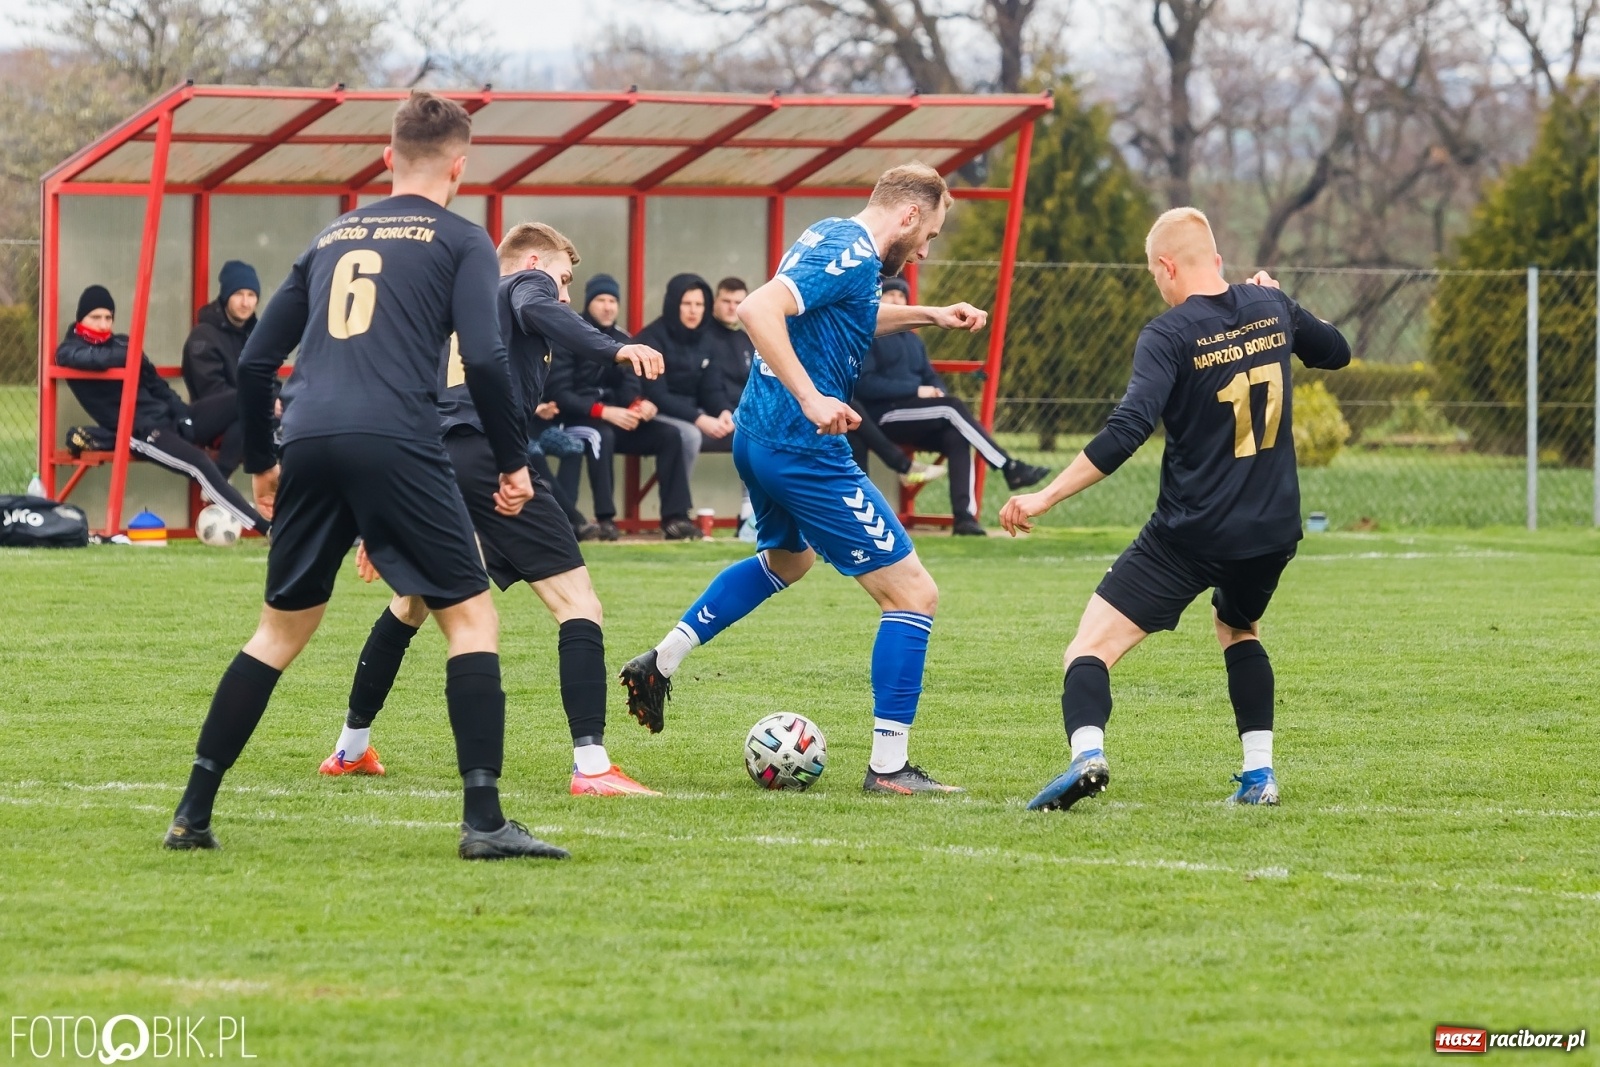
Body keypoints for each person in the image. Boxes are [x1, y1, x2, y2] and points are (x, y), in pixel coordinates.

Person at [161, 91, 563, 861]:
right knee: (470, 619)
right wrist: (513, 461)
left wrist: (265, 461)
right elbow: (482, 358)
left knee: (279, 631)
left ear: (387, 159)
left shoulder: (331, 235)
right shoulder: (462, 239)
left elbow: (254, 363)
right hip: (398, 437)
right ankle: (483, 820)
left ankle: (193, 809)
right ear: (461, 166)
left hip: (308, 433)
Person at [619, 162, 988, 795]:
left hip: (760, 440)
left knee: (788, 563)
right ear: (907, 214)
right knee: (913, 595)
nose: (926, 247)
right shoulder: (850, 252)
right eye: (928, 233)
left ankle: (662, 660)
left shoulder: (832, 238)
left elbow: (845, 317)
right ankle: (889, 768)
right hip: (801, 447)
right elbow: (758, 310)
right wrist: (815, 398)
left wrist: (930, 315)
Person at [999, 207, 1351, 812]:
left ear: (1167, 267)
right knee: (1238, 628)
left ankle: (1087, 755)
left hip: (1191, 531)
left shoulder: (1168, 334)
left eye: (1154, 275)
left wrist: (1045, 494)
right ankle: (1259, 774)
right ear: (1215, 257)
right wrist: (1285, 302)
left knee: (1088, 649)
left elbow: (1127, 429)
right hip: (1272, 529)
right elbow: (1337, 351)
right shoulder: (1271, 305)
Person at [323, 222, 666, 797]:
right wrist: (616, 347)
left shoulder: (454, 305)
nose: (563, 294)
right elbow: (546, 310)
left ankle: (350, 750)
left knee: (411, 604)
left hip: (432, 461)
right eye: (562, 278)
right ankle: (592, 766)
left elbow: (402, 398)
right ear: (532, 261)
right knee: (578, 603)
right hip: (487, 456)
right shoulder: (523, 284)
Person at [56, 284, 264, 532]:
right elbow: (94, 360)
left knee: (246, 399)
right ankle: (265, 527)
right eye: (95, 318)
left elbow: (158, 386)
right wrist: (127, 354)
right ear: (81, 319)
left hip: (170, 417)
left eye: (108, 318)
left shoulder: (122, 344)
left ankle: (223, 472)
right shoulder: (70, 350)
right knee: (199, 463)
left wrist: (182, 414)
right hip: (143, 431)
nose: (103, 325)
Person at [857, 276, 1048, 536]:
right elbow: (865, 386)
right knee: (951, 407)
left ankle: (964, 518)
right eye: (890, 296)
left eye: (901, 297)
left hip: (917, 414)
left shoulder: (914, 341)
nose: (896, 300)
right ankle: (1008, 466)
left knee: (956, 435)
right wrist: (917, 391)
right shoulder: (870, 337)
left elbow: (930, 376)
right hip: (885, 416)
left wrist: (936, 391)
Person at [550, 274, 695, 540]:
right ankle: (606, 519)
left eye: (613, 300)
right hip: (576, 420)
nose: (608, 306)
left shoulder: (624, 340)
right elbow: (560, 394)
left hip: (619, 420)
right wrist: (602, 411)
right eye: (601, 300)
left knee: (669, 435)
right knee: (600, 435)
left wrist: (639, 405)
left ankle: (676, 518)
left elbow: (631, 386)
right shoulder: (569, 335)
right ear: (589, 303)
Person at [633, 273, 736, 538]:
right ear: (673, 304)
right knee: (687, 435)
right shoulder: (651, 338)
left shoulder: (706, 340)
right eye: (687, 304)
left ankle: (753, 516)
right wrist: (699, 419)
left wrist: (725, 412)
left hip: (694, 414)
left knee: (748, 433)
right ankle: (676, 515)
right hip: (657, 414)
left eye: (699, 305)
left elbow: (712, 388)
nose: (693, 311)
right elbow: (655, 394)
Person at [179, 259, 261, 475]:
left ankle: (219, 482)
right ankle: (218, 481)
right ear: (225, 297)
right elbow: (213, 392)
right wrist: (267, 401)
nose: (246, 303)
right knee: (252, 415)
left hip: (248, 415)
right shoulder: (203, 336)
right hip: (208, 420)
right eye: (239, 294)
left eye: (251, 295)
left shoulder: (256, 334)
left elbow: (267, 379)